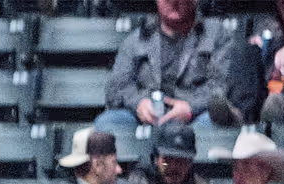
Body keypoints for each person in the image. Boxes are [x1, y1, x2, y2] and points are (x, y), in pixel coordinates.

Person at [97, 0, 231, 131]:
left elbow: (220, 85)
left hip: (194, 116)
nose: (174, 2)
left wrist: (191, 107)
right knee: (110, 122)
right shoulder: (136, 39)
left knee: (211, 122)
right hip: (145, 117)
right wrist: (139, 104)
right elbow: (118, 86)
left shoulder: (216, 35)